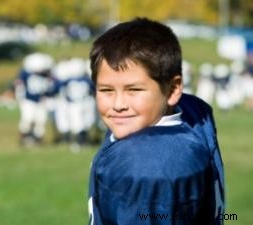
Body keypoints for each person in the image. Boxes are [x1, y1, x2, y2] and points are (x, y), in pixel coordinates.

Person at [87, 17, 224, 225]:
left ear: (173, 89)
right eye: (106, 90)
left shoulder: (148, 165)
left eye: (134, 90)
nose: (118, 104)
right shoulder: (189, 112)